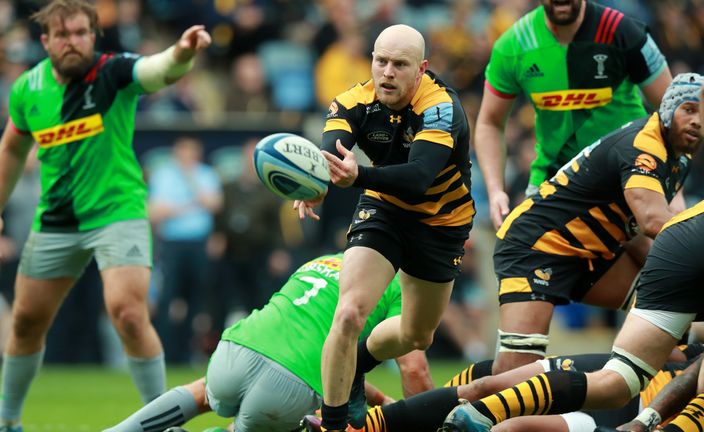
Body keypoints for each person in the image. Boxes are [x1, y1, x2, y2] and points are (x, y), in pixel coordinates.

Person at [0, 1, 211, 431]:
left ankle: (164, 424)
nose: (72, 41)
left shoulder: (113, 72)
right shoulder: (27, 88)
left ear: (93, 36)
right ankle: (6, 421)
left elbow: (159, 71)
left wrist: (182, 52)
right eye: (62, 35)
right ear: (45, 41)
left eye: (80, 32)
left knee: (128, 313)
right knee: (26, 321)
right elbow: (11, 147)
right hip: (57, 220)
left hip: (117, 211)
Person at [294, 24, 474, 431]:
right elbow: (332, 151)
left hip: (441, 223)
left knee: (417, 336)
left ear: (421, 69)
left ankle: (359, 363)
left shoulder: (441, 107)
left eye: (400, 64)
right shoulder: (351, 101)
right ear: (371, 61)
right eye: (381, 61)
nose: (388, 72)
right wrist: (315, 181)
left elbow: (418, 177)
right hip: (384, 210)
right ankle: (334, 424)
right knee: (348, 313)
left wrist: (357, 176)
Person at [442, 153, 704, 431]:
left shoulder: (659, 160)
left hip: (664, 244)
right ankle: (477, 409)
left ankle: (456, 411)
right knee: (508, 381)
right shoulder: (643, 150)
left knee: (503, 396)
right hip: (637, 391)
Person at [479, 73, 702, 376]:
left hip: (593, 253)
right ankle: (460, 399)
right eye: (688, 109)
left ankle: (659, 398)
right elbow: (653, 221)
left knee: (674, 314)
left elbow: (640, 230)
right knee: (516, 369)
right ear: (667, 109)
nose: (697, 121)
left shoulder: (680, 157)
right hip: (537, 245)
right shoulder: (645, 147)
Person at [102, 254, 433, 432]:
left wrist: (379, 398)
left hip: (235, 352)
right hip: (291, 388)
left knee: (204, 392)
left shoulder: (324, 260)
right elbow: (414, 370)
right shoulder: (398, 284)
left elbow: (327, 353)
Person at [475, 0, 672, 231]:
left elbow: (672, 112)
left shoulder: (623, 32)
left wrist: (674, 186)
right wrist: (496, 191)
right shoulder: (513, 45)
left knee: (649, 242)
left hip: (626, 176)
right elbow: (490, 123)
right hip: (554, 180)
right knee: (518, 247)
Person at [302, 344, 703, 432]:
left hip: (627, 418)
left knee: (508, 428)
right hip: (629, 377)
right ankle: (361, 426)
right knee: (485, 386)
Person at [148, 136, 222, 364]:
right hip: (172, 243)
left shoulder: (206, 175)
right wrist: (190, 206)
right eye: (184, 151)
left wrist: (191, 183)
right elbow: (155, 212)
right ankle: (164, 351)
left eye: (192, 151)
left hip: (198, 243)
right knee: (168, 297)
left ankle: (188, 352)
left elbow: (214, 204)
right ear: (176, 152)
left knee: (196, 298)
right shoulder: (163, 175)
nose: (188, 156)